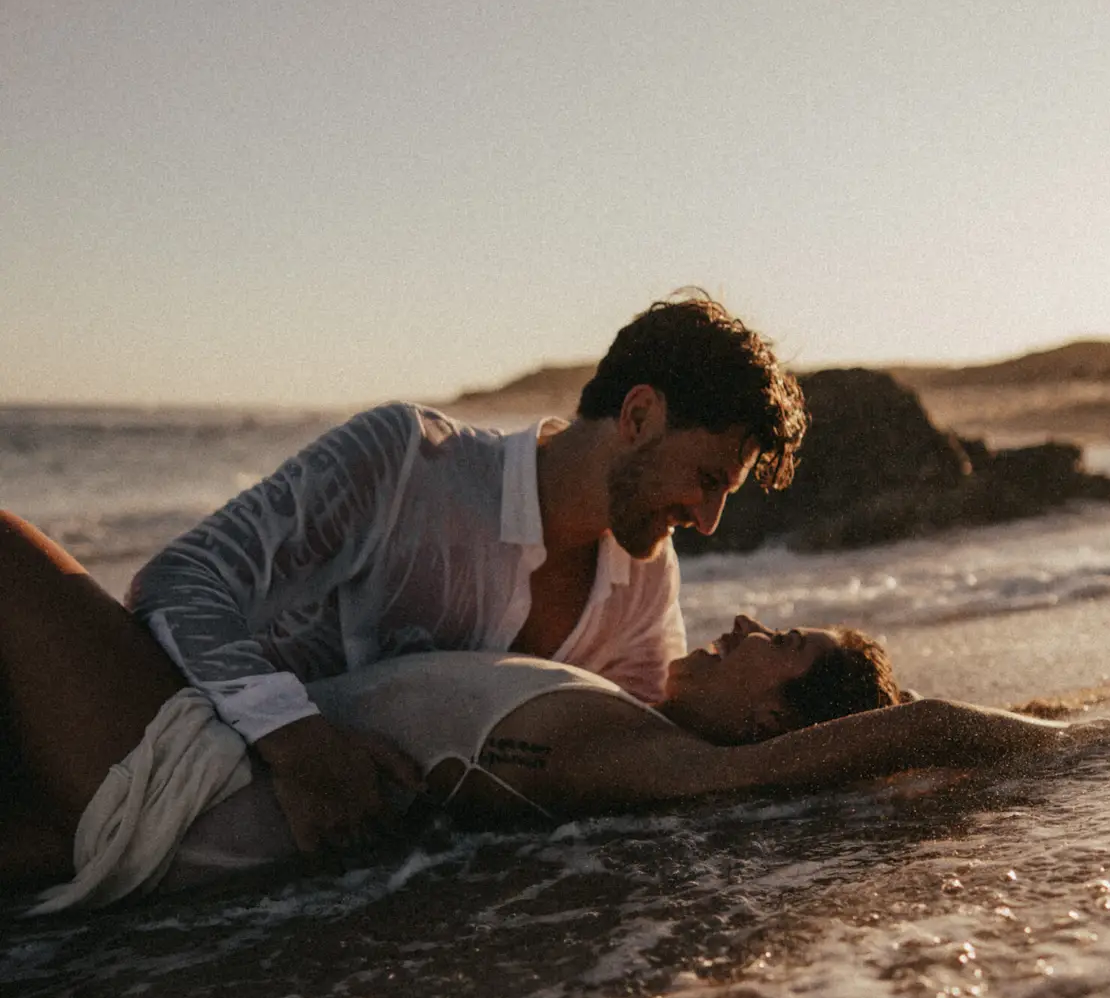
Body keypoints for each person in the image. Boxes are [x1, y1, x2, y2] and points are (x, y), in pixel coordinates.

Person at [0, 511, 1110, 912]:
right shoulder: (622, 715)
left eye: (784, 649)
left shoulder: (645, 760)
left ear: (778, 730)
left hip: (188, 779)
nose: (750, 626)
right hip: (187, 767)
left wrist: (1100, 748)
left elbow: (918, 727)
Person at [126, 295, 808, 859]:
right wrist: (301, 745)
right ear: (636, 417)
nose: (711, 519)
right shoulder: (407, 463)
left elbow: (624, 756)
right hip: (134, 749)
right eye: (707, 480)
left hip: (270, 873)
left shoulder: (644, 582)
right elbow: (180, 579)